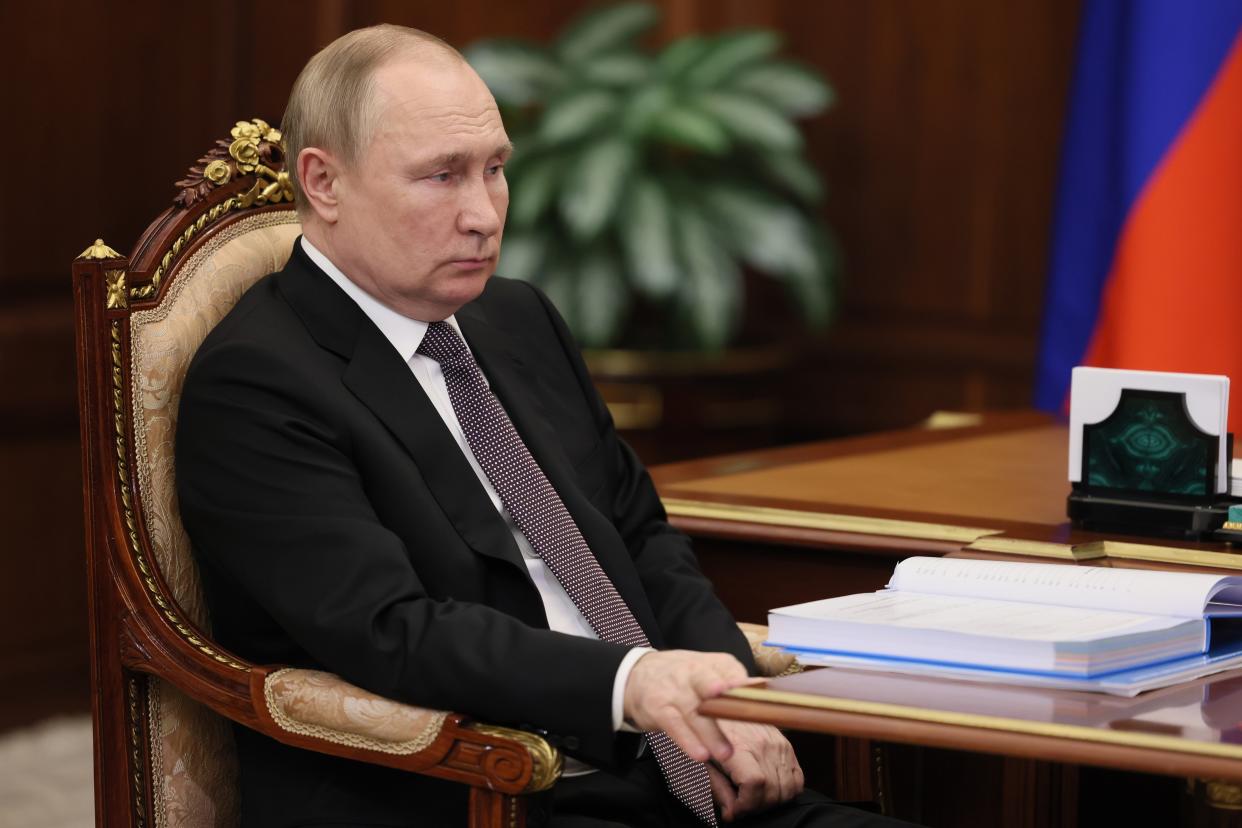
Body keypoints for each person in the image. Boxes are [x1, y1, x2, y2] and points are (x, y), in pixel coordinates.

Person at [176, 24, 913, 828]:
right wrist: (629, 682)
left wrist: (726, 694)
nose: (484, 214)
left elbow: (640, 533)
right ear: (323, 182)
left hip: (674, 771)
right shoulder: (260, 380)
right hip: (477, 791)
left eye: (495, 170)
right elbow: (390, 631)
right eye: (442, 177)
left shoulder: (516, 318)